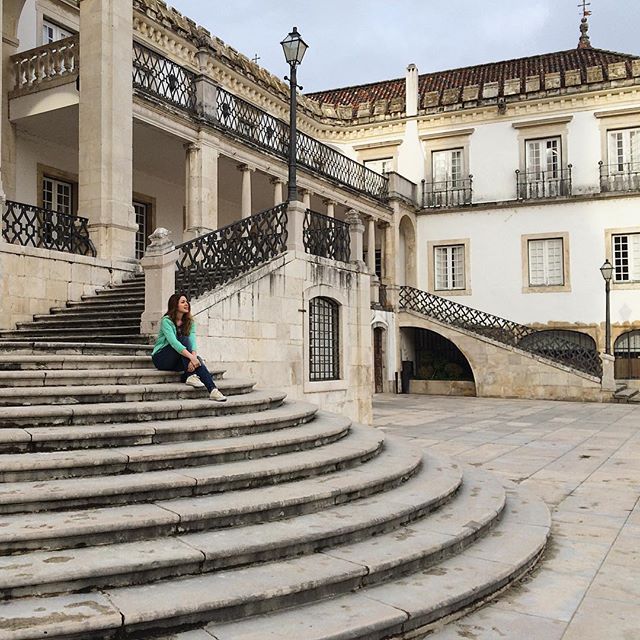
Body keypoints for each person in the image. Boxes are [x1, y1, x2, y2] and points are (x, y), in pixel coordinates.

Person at [151, 293, 226, 402]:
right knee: (183, 340)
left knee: (198, 359)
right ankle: (190, 375)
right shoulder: (166, 321)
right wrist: (192, 357)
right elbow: (174, 343)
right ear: (175, 305)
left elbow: (193, 342)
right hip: (161, 358)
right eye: (183, 302)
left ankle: (213, 390)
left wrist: (194, 357)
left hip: (177, 359)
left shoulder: (189, 322)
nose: (186, 304)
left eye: (186, 302)